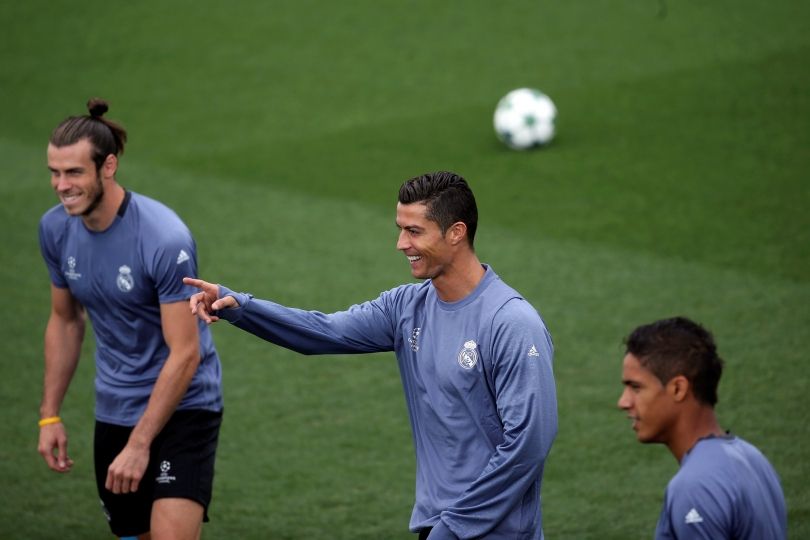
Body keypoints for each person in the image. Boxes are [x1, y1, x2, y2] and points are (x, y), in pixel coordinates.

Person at [184, 171, 558, 539]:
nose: (401, 244)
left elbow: (528, 444)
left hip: (492, 529)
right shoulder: (406, 307)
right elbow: (323, 331)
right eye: (401, 229)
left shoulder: (511, 322)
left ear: (456, 232)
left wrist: (455, 526)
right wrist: (241, 306)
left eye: (414, 231)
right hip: (439, 523)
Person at [37, 98, 224, 540]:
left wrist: (140, 444)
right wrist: (50, 415)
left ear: (108, 166)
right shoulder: (55, 229)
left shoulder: (163, 238)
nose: (62, 185)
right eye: (54, 172)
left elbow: (185, 353)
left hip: (185, 408)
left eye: (74, 172)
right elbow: (66, 321)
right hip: (115, 408)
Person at [617, 316, 787, 539]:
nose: (623, 402)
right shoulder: (753, 458)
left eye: (636, 387)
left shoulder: (696, 486)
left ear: (678, 389)